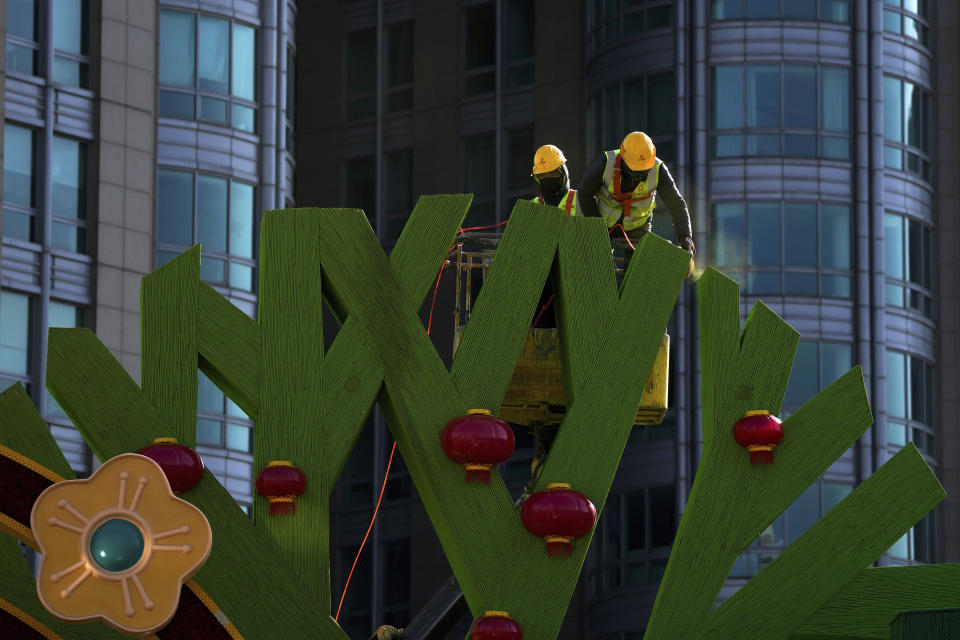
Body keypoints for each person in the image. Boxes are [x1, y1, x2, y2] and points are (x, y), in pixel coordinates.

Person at [577, 131, 695, 268]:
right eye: (634, 169)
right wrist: (597, 227)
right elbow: (584, 192)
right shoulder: (606, 162)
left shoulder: (658, 170)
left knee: (637, 276)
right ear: (623, 157)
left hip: (638, 229)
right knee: (596, 269)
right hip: (603, 223)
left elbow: (676, 205)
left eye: (643, 170)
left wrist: (685, 238)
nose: (639, 174)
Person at [531, 144, 578, 215]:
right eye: (542, 176)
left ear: (564, 173)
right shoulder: (531, 208)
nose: (548, 179)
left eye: (553, 174)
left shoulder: (582, 199)